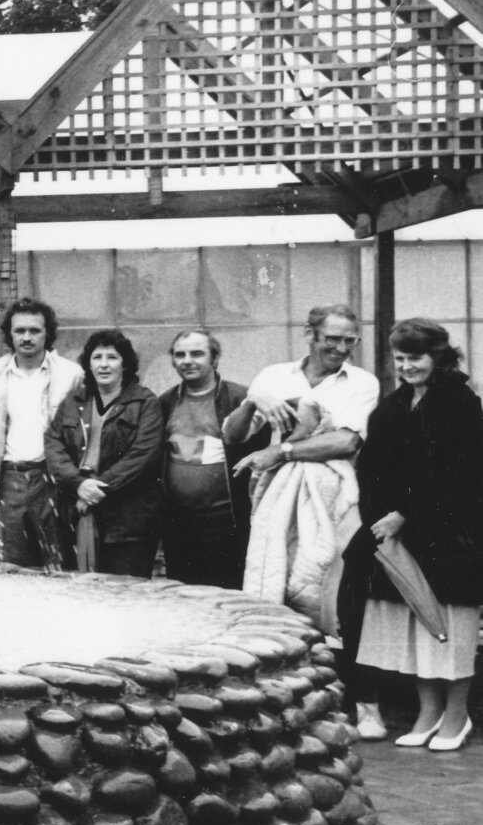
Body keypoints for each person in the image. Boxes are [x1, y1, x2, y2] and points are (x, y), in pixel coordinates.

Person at [227, 304, 384, 736]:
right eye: (331, 338)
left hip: (335, 497)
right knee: (276, 585)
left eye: (349, 339)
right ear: (309, 334)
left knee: (337, 595)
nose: (340, 348)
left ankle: (364, 702)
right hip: (277, 500)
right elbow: (234, 435)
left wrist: (282, 451)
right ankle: (287, 696)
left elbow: (347, 439)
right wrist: (253, 400)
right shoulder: (274, 376)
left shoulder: (362, 382)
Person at [346, 319, 483, 752]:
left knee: (449, 623)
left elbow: (458, 473)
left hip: (450, 534)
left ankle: (456, 716)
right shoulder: (395, 404)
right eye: (400, 359)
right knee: (413, 622)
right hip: (394, 534)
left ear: (439, 357)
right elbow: (370, 467)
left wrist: (403, 515)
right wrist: (380, 519)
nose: (406, 367)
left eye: (415, 358)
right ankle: (428, 711)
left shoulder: (461, 404)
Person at [43, 330, 165, 578]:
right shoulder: (74, 400)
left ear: (125, 363)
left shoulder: (145, 402)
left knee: (126, 592)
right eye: (97, 357)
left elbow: (143, 455)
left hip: (127, 519)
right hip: (76, 512)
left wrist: (96, 490)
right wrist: (78, 484)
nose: (104, 364)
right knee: (80, 593)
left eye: (112, 357)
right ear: (89, 364)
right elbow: (53, 443)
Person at [0, 297, 78, 569]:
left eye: (35, 330)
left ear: (48, 333)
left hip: (54, 479)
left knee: (60, 562)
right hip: (12, 478)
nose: (27, 337)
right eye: (20, 331)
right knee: (15, 564)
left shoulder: (70, 375)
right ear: (10, 334)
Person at [158, 331, 252, 589]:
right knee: (184, 596)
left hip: (227, 522)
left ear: (215, 358)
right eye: (180, 355)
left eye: (197, 353)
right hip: (179, 524)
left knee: (228, 595)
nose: (187, 361)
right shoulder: (166, 402)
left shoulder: (238, 399)